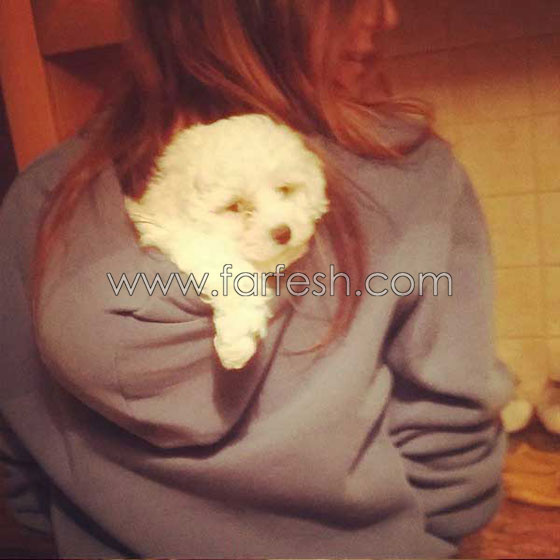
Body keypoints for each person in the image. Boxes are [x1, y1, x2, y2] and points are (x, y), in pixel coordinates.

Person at [0, 0, 513, 558]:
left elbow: (20, 437)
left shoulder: (40, 201)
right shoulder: (408, 178)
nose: (386, 14)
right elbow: (449, 439)